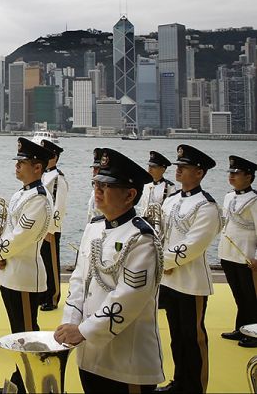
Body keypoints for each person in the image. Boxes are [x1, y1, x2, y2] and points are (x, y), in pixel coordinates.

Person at [55, 148, 164, 393]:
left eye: (107, 186)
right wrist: (69, 326)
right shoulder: (93, 228)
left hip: (126, 360)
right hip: (89, 352)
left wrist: (82, 331)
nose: (98, 190)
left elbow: (128, 299)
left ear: (130, 195)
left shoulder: (141, 239)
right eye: (97, 184)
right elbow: (78, 283)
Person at [0, 137, 53, 394]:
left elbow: (20, 238)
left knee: (26, 333)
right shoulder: (21, 194)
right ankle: (20, 381)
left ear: (37, 168)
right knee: (18, 333)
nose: (17, 166)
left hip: (25, 275)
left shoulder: (38, 199)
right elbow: (7, 230)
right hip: (11, 273)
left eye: (22, 163)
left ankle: (30, 384)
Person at [156, 144, 221, 394]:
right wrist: (164, 263)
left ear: (200, 172)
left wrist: (165, 262)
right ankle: (179, 381)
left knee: (194, 338)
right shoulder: (171, 200)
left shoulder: (207, 206)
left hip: (191, 281)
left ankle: (196, 387)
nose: (179, 171)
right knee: (176, 335)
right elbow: (160, 232)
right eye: (178, 167)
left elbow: (194, 244)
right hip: (170, 279)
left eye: (185, 167)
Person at [218, 155, 257, 348]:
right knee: (239, 295)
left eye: (237, 173)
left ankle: (254, 333)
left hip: (246, 255)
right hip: (228, 253)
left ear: (249, 177)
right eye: (231, 173)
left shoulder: (254, 200)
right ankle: (241, 328)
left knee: (251, 296)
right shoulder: (228, 196)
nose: (232, 177)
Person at [39, 139, 68, 311]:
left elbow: (60, 207)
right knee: (41, 262)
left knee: (51, 263)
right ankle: (42, 294)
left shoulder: (58, 178)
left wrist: (52, 229)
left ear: (54, 157)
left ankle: (53, 296)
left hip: (50, 229)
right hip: (39, 228)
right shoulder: (43, 174)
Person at [137, 151, 175, 220]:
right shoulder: (146, 185)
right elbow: (142, 208)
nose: (149, 169)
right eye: (149, 166)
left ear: (163, 169)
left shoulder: (169, 187)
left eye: (153, 167)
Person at [86, 148, 103, 223]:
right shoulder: (94, 191)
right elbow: (90, 216)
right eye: (93, 168)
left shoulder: (108, 193)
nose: (93, 172)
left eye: (97, 169)